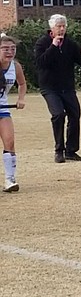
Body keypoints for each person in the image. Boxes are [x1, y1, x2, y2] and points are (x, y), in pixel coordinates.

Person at [34, 14, 81, 163]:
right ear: (51, 29)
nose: (61, 29)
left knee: (75, 114)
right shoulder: (42, 43)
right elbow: (41, 63)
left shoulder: (70, 44)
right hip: (49, 88)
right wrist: (53, 46)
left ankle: (71, 151)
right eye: (58, 26)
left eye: (63, 26)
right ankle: (59, 150)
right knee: (58, 115)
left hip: (67, 87)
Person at [0, 35, 27, 192]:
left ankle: (10, 180)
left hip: (3, 108)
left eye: (13, 49)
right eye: (5, 49)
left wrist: (21, 98)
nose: (9, 52)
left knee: (9, 142)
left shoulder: (15, 67)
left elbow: (22, 84)